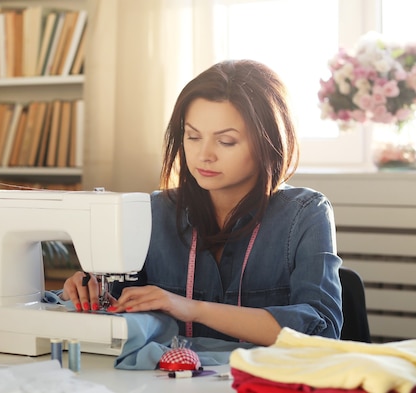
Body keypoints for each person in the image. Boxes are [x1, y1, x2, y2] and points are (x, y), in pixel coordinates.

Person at [61, 59, 343, 347]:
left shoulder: (305, 214)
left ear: (267, 141)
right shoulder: (155, 212)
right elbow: (115, 305)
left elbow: (321, 330)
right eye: (193, 136)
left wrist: (193, 309)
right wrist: (88, 291)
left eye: (227, 142)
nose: (203, 155)